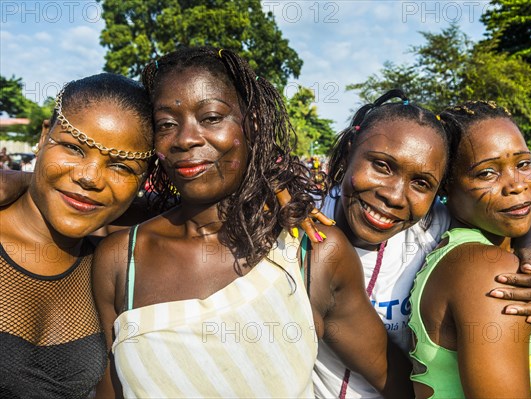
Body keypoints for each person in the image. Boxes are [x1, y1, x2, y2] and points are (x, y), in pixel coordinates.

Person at [92, 47, 405, 398]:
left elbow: (395, 380)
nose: (186, 138)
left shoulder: (312, 253)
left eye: (211, 118)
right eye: (166, 124)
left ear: (251, 124)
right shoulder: (121, 259)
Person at [313, 90, 531, 398]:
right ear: (349, 151)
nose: (394, 195)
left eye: (421, 183)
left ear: (438, 190)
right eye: (381, 165)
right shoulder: (301, 219)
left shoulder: (431, 223)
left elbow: (524, 218)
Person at [0, 73, 155, 398]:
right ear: (44, 136)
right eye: (73, 147)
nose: (89, 178)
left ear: (142, 182)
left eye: (121, 167)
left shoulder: (115, 271)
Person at [409, 100, 531, 398]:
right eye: (487, 173)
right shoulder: (485, 269)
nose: (516, 185)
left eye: (524, 163)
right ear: (446, 185)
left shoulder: (496, 245)